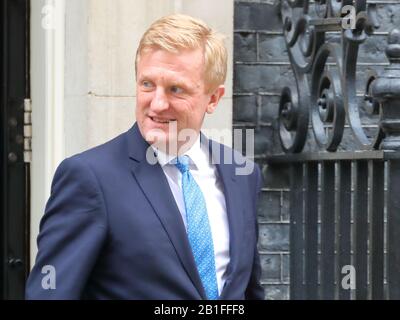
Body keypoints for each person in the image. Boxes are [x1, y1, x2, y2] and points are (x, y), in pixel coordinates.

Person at [26, 14, 264, 300]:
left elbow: (248, 289)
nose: (157, 103)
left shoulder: (242, 174)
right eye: (147, 85)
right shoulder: (89, 178)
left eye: (176, 89)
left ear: (213, 98)